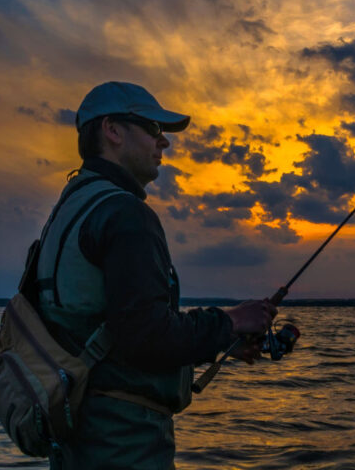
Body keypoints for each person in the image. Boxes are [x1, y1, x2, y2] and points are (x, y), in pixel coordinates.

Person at [35, 81, 277, 469]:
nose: (163, 143)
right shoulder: (125, 214)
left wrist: (222, 337)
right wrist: (232, 319)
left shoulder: (68, 209)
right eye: (153, 129)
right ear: (112, 130)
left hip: (78, 440)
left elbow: (107, 333)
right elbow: (146, 336)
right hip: (124, 445)